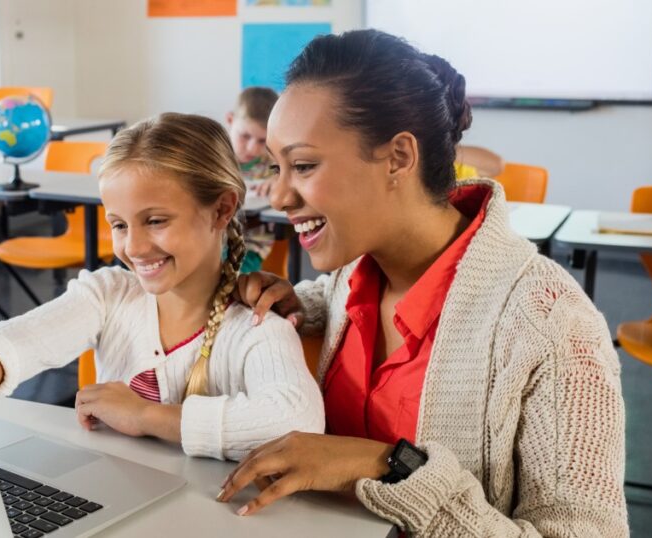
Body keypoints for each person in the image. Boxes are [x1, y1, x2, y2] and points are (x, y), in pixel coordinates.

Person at [218, 30, 626, 536]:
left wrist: (386, 464)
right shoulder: (353, 273)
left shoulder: (554, 329)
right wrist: (295, 302)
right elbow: (340, 304)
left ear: (398, 158)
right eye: (278, 168)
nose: (279, 196)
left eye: (302, 166)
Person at [0, 113, 323, 461]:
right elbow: (26, 339)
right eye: (119, 225)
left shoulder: (257, 326)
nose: (133, 247)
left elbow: (297, 422)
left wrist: (147, 416)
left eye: (155, 221)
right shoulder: (111, 294)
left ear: (221, 210)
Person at [226, 86, 279, 273]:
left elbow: (296, 183)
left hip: (252, 246)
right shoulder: (215, 158)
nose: (252, 148)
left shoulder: (273, 165)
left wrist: (279, 180)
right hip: (213, 241)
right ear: (230, 120)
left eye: (262, 141)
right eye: (245, 136)